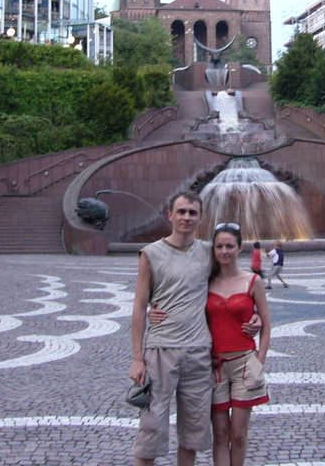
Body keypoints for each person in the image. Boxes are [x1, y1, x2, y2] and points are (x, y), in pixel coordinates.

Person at [129, 191, 260, 466]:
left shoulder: (207, 252)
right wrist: (137, 358)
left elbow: (231, 281)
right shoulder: (151, 253)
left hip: (200, 352)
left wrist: (255, 313)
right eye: (181, 212)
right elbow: (140, 305)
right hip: (160, 349)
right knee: (151, 427)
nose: (186, 217)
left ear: (201, 218)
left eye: (192, 213)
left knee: (193, 430)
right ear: (170, 215)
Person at [207, 223, 270, 466]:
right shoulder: (206, 281)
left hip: (245, 363)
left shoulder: (252, 281)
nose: (224, 251)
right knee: (220, 434)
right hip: (214, 367)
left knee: (239, 434)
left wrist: (259, 364)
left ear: (239, 248)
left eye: (229, 246)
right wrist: (156, 310)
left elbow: (266, 324)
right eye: (219, 246)